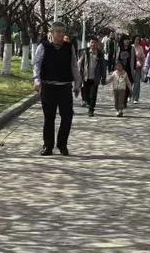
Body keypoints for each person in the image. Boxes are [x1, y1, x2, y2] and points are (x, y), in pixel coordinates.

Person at [33, 22, 81, 155]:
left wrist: (77, 83)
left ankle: (62, 144)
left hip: (65, 87)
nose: (60, 34)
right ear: (52, 33)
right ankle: (48, 146)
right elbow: (37, 64)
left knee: (67, 116)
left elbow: (74, 66)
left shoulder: (69, 47)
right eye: (57, 31)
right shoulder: (43, 46)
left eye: (62, 31)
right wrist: (36, 80)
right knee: (49, 117)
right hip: (48, 86)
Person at [80, 36, 107, 116]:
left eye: (95, 42)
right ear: (89, 43)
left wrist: (103, 77)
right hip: (86, 76)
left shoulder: (100, 54)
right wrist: (79, 74)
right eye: (92, 42)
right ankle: (88, 103)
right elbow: (80, 63)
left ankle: (91, 110)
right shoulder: (85, 52)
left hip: (95, 78)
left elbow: (103, 66)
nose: (93, 44)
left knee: (93, 94)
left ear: (97, 44)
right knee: (86, 94)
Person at [132, 37, 147, 103]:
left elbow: (143, 57)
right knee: (129, 82)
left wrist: (142, 62)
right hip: (130, 67)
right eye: (136, 39)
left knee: (137, 83)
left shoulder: (140, 48)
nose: (137, 41)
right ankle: (129, 95)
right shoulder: (131, 47)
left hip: (138, 67)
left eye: (138, 40)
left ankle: (136, 98)